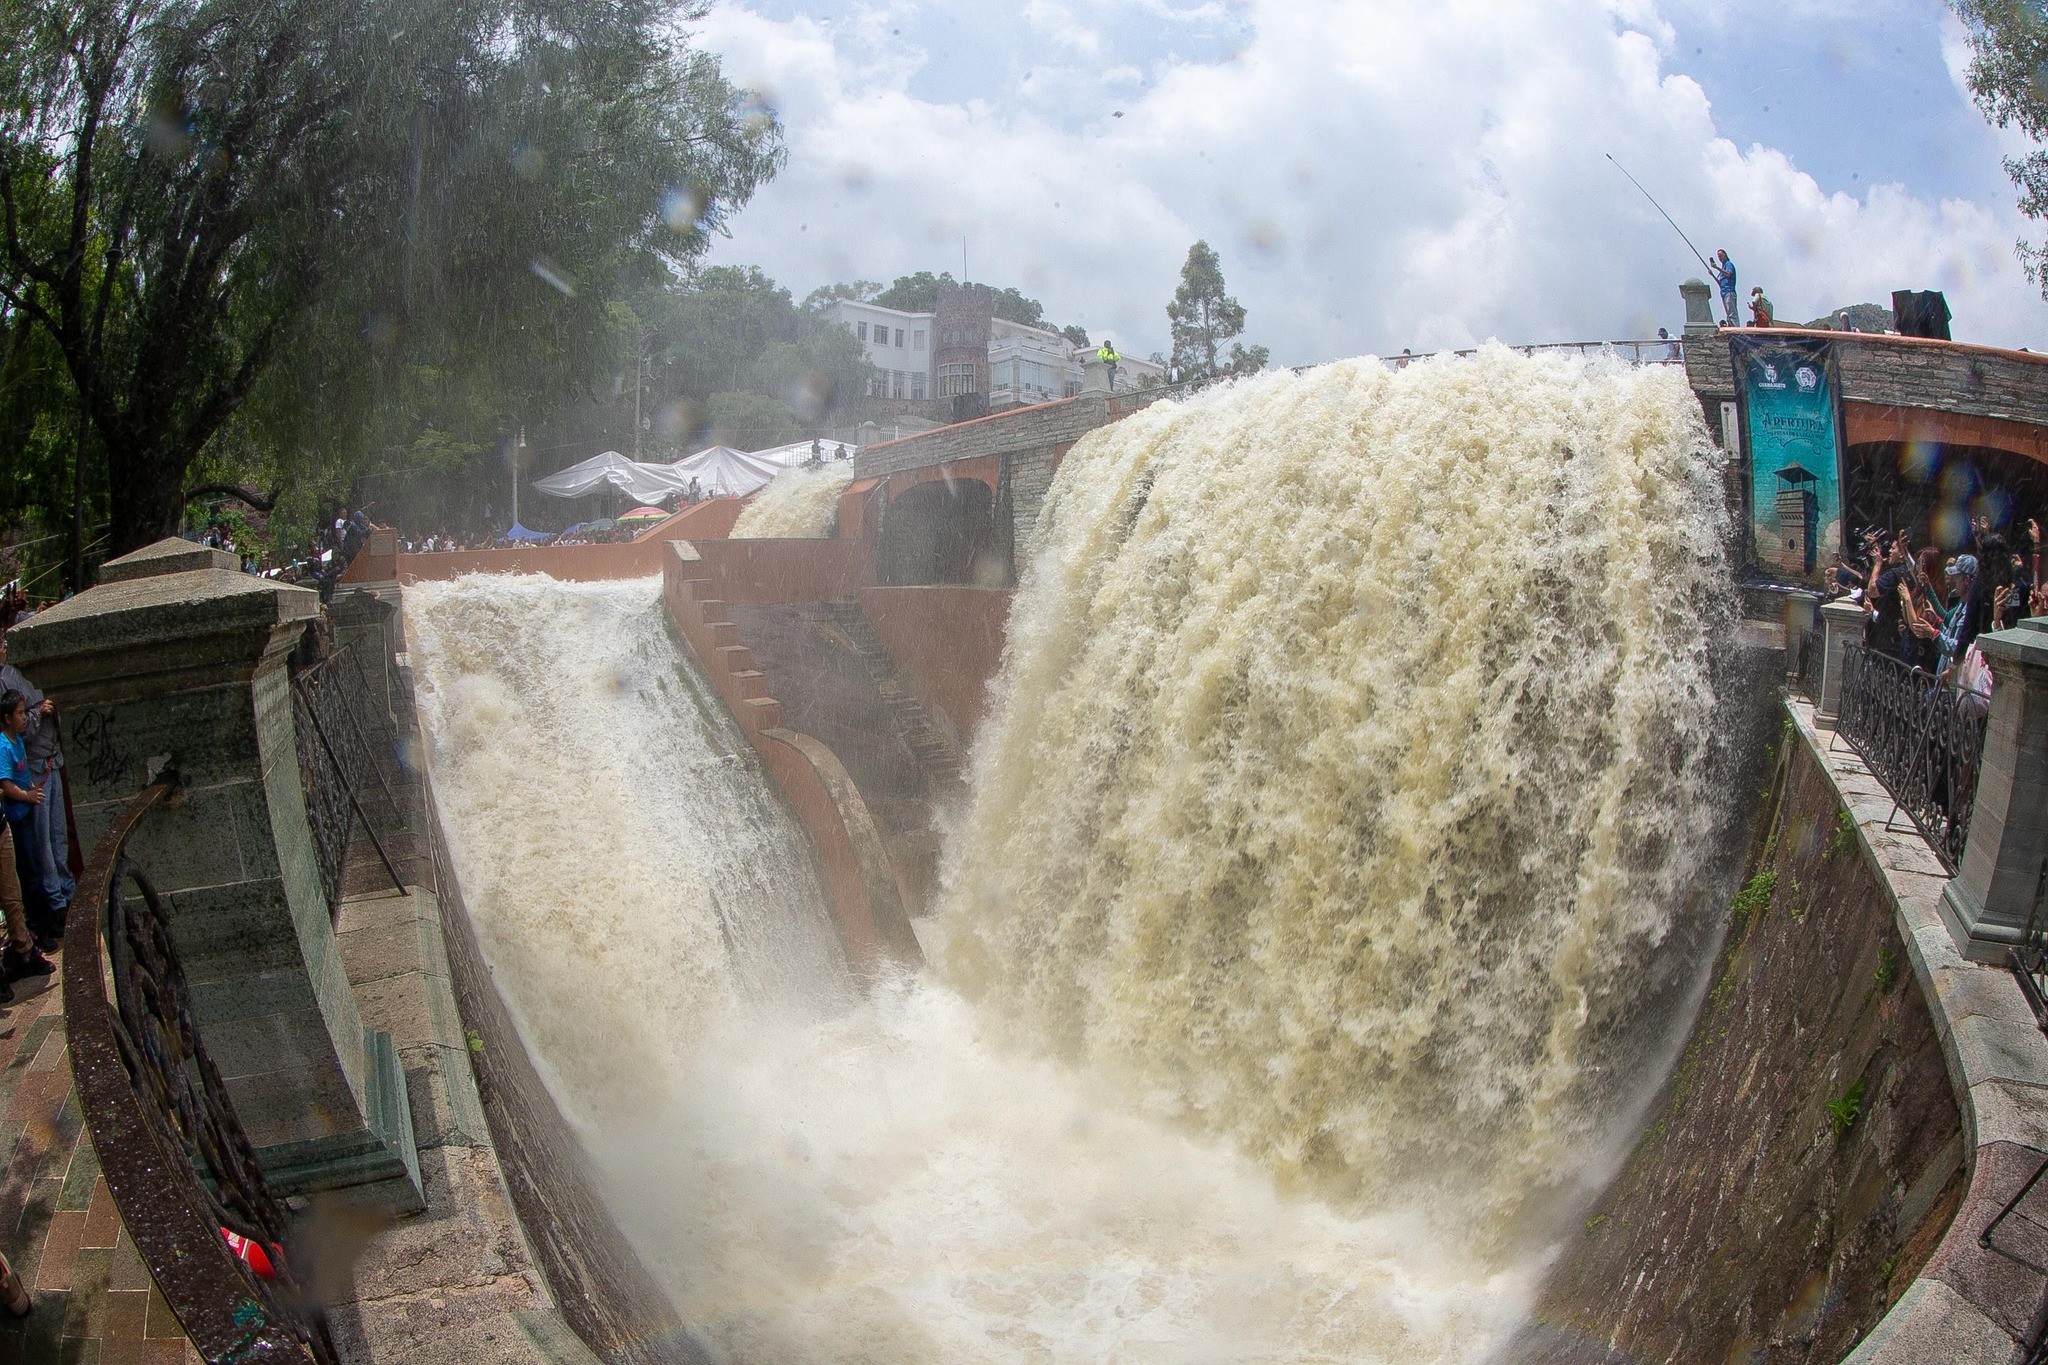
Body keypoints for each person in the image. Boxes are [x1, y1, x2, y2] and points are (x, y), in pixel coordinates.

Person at [0, 632, 71, 919]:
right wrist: (39, 713)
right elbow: (4, 779)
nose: (3, 646)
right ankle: (55, 902)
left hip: (50, 760)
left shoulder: (17, 673)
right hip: (34, 769)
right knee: (42, 845)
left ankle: (65, 891)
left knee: (58, 835)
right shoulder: (6, 681)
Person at [0, 691, 60, 961]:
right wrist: (27, 795)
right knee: (29, 873)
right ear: (7, 718)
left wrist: (30, 789)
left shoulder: (18, 742)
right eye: (21, 714)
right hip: (17, 815)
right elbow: (5, 784)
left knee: (35, 865)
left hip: (25, 810)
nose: (25, 718)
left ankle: (40, 927)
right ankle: (35, 929)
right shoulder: (4, 745)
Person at [1710, 249, 1739, 327]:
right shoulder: (1723, 268)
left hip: (1729, 291)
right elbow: (1720, 283)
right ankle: (1731, 327)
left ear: (1725, 255)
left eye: (1720, 256)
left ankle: (1736, 329)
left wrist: (1716, 268)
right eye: (1718, 257)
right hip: (1724, 292)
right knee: (1728, 313)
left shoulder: (1728, 264)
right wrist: (1712, 275)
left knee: (1732, 312)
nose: (1719, 258)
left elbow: (1728, 274)